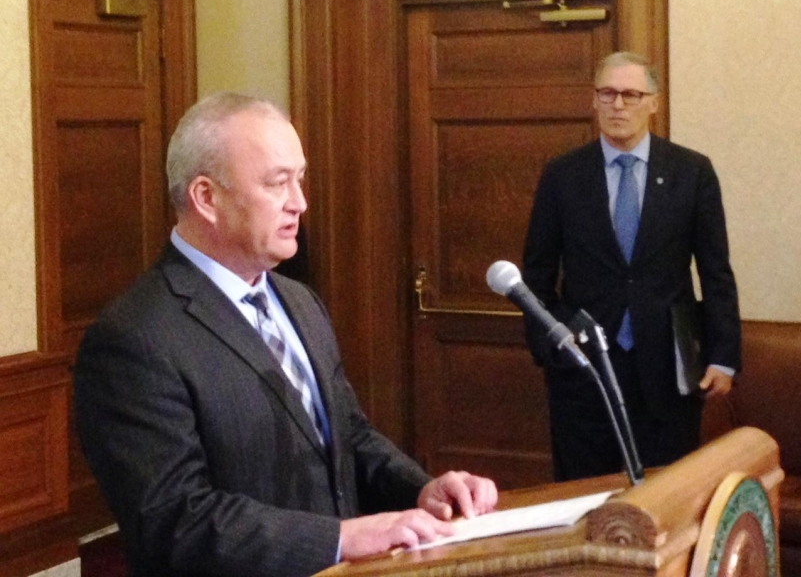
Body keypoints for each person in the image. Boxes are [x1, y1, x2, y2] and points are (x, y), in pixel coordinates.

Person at [73, 93, 497, 577]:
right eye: (278, 184)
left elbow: (347, 437)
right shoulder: (133, 338)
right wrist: (340, 538)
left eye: (300, 179)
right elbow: (176, 521)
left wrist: (419, 489)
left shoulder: (299, 301)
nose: (300, 203)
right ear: (206, 198)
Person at [522, 51, 741, 481]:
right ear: (594, 100)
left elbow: (715, 270)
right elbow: (535, 278)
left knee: (666, 496)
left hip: (668, 370)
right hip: (585, 371)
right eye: (607, 93)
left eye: (630, 94)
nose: (618, 105)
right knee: (583, 501)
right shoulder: (563, 175)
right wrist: (553, 348)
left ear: (653, 103)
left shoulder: (691, 172)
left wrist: (723, 356)